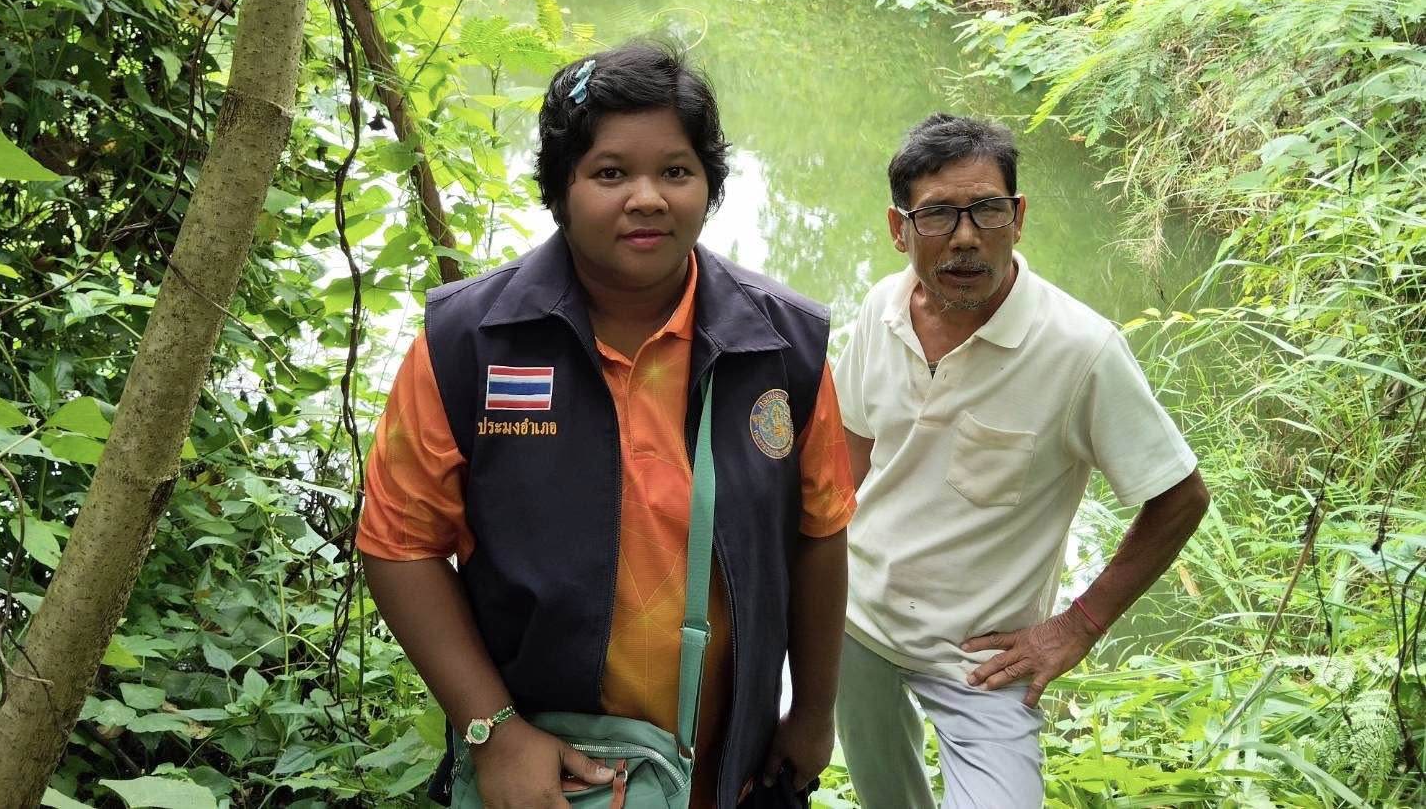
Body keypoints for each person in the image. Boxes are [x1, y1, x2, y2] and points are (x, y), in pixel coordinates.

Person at [357, 41, 856, 809]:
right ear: (561, 188)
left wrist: (813, 713)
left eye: (676, 171)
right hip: (549, 771)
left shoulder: (781, 347)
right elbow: (399, 546)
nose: (648, 197)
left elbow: (818, 533)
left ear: (709, 185)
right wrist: (492, 731)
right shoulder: (470, 344)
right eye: (611, 172)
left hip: (732, 766)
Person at [832, 114, 1210, 808]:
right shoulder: (879, 309)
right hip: (858, 623)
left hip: (982, 661)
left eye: (987, 210)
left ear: (1019, 216)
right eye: (939, 215)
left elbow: (1179, 495)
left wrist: (1078, 625)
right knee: (885, 796)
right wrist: (804, 589)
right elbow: (845, 467)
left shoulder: (1078, 350)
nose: (967, 237)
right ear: (899, 229)